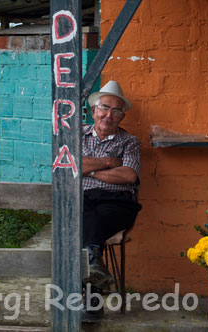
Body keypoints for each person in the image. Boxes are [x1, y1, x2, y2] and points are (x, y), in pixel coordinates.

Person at [81, 81, 142, 321]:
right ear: (94, 110)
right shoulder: (77, 135)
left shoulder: (130, 142)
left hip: (117, 203)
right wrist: (109, 162)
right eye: (104, 108)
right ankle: (95, 262)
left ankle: (91, 298)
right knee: (83, 215)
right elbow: (70, 166)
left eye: (116, 111)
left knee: (87, 223)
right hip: (84, 200)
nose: (109, 115)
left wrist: (90, 171)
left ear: (122, 116)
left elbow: (129, 175)